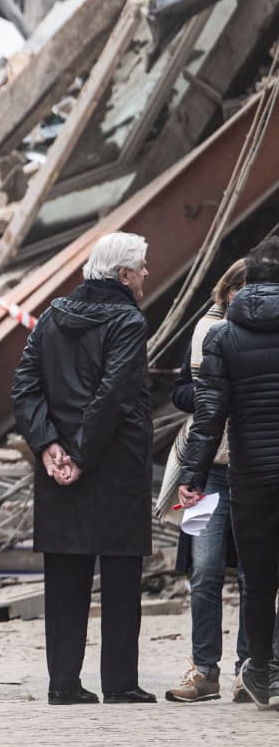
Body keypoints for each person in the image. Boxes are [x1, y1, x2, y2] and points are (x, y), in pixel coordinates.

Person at [11, 231, 155, 704]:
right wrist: (81, 453)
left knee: (65, 577)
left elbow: (25, 387)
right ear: (123, 275)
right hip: (114, 465)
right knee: (119, 575)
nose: (147, 276)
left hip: (59, 471)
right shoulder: (128, 322)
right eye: (142, 268)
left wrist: (49, 445)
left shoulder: (52, 317)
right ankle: (119, 682)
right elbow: (114, 395)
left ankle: (63, 683)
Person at [181, 236, 279, 707]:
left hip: (251, 478)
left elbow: (209, 414)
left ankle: (261, 670)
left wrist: (191, 478)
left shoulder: (221, 337)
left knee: (257, 581)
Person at [165, 260, 250, 703]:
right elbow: (180, 391)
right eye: (239, 288)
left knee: (256, 574)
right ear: (227, 291)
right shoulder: (204, 331)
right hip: (212, 468)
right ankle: (203, 668)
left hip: (255, 467)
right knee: (205, 569)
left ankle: (248, 668)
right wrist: (212, 393)